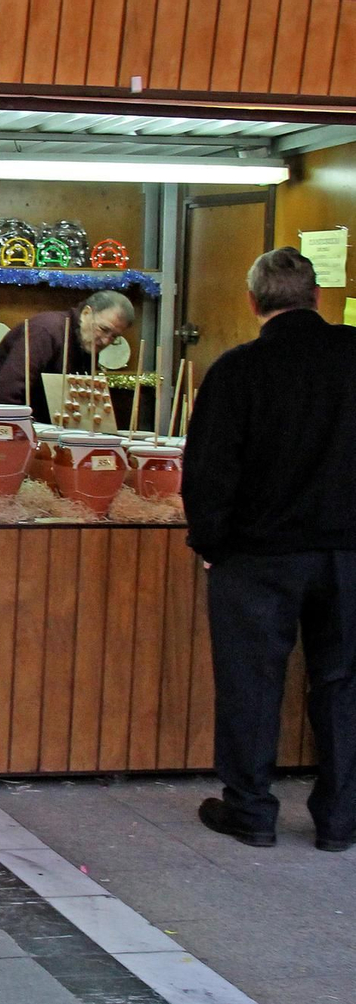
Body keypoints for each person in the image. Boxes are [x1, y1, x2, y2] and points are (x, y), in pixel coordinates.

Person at [182, 246, 356, 854]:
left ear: (253, 302)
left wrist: (211, 541)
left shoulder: (237, 370)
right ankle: (341, 819)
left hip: (258, 558)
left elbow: (207, 469)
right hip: (350, 552)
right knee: (345, 682)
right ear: (317, 297)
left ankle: (252, 810)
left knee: (252, 681)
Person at [0, 290, 135, 423]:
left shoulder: (86, 343)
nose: (105, 340)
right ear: (86, 313)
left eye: (114, 337)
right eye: (104, 329)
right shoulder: (46, 330)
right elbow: (4, 394)